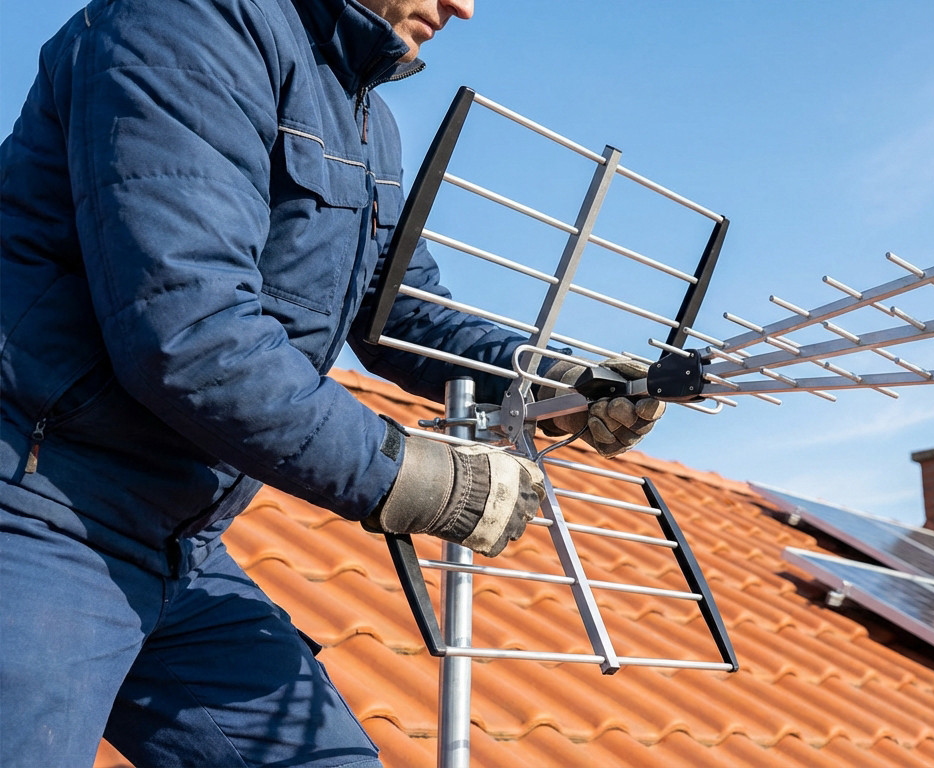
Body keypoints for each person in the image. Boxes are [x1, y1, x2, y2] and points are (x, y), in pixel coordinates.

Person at [0, 0, 660, 765]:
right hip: (40, 505)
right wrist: (413, 475)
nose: (465, 8)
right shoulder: (186, 24)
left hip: (181, 540)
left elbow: (401, 313)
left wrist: (559, 383)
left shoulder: (366, 119)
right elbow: (188, 331)